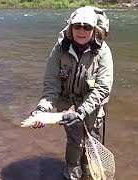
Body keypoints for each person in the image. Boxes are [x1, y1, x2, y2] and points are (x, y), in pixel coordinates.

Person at [30, 6, 113, 180]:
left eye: (87, 27)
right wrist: (42, 109)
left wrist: (81, 112)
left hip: (92, 105)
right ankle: (72, 175)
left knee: (92, 141)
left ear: (94, 29)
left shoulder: (102, 51)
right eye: (77, 26)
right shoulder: (60, 49)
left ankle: (88, 172)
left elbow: (103, 88)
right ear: (70, 28)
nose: (81, 31)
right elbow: (51, 85)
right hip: (67, 106)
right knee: (75, 141)